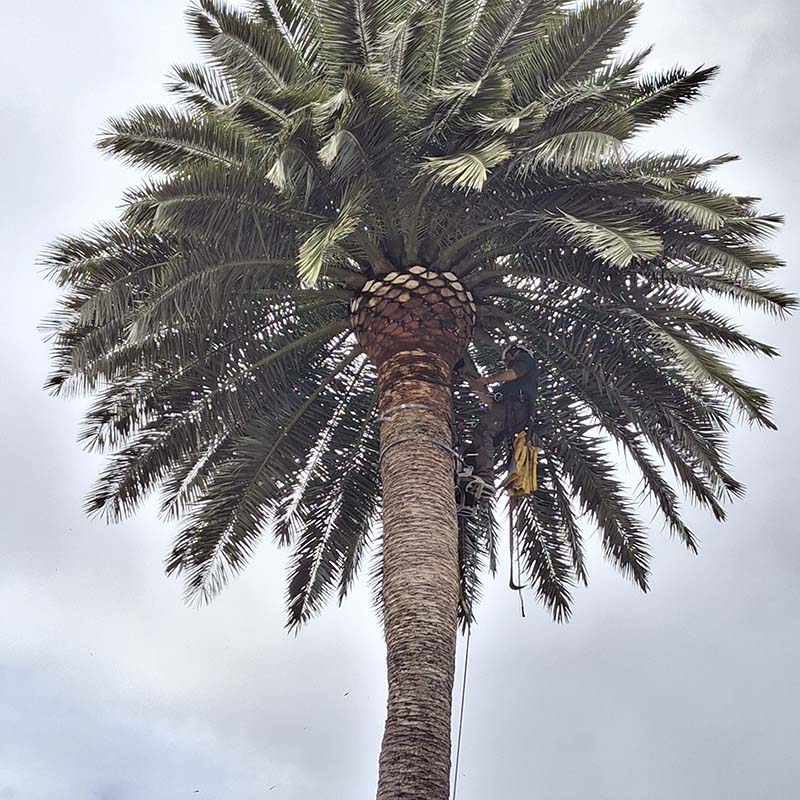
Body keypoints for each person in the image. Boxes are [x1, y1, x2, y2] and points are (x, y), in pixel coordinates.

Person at [459, 343, 539, 500]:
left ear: (514, 353)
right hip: (512, 415)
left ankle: (486, 478)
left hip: (515, 408)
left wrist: (488, 380)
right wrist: (466, 376)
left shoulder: (525, 359)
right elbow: (488, 400)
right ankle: (468, 497)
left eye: (507, 360)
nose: (507, 363)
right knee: (476, 448)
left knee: (483, 431)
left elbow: (514, 373)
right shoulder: (508, 388)